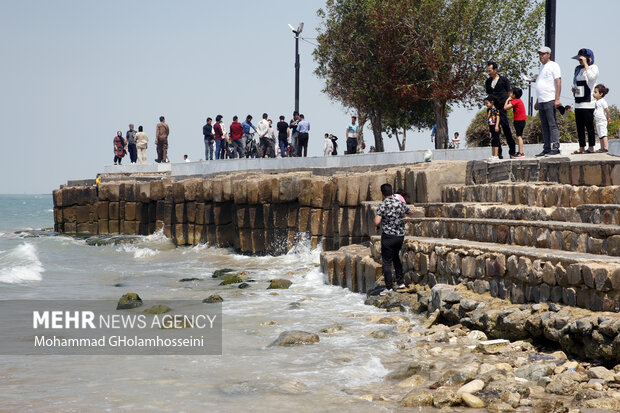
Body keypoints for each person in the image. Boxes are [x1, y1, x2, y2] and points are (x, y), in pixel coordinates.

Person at [373, 183, 414, 295]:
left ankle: (389, 288)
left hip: (388, 237)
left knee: (387, 262)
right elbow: (410, 212)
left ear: (382, 193)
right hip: (399, 236)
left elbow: (376, 222)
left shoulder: (383, 205)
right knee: (396, 258)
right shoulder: (400, 203)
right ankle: (400, 283)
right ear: (392, 192)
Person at [534, 46, 562, 156]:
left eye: (543, 54)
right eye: (540, 54)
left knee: (552, 124)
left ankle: (555, 147)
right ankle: (546, 147)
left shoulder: (553, 65)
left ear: (548, 54)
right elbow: (541, 85)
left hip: (550, 99)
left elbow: (558, 82)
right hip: (541, 100)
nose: (541, 56)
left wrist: (557, 98)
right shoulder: (542, 68)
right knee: (544, 125)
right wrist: (537, 100)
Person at [485, 61, 516, 159]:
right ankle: (498, 153)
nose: (488, 72)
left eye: (490, 70)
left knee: (506, 128)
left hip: (502, 108)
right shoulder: (488, 82)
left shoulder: (503, 80)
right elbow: (489, 94)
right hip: (493, 109)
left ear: (495, 70)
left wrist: (509, 104)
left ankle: (512, 151)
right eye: (487, 71)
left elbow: (509, 93)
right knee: (494, 132)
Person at [571, 48, 599, 154]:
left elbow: (591, 78)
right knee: (580, 127)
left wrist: (586, 65)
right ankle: (581, 146)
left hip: (588, 103)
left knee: (589, 126)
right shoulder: (578, 69)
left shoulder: (593, 68)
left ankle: (591, 146)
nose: (580, 61)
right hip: (578, 102)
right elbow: (575, 82)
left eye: (582, 59)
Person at [504, 87, 526, 158]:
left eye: (511, 93)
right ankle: (520, 152)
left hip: (519, 121)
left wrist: (507, 99)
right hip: (521, 120)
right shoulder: (518, 100)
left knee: (519, 137)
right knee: (519, 136)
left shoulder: (516, 101)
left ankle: (521, 152)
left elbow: (505, 107)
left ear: (514, 95)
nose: (510, 94)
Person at [593, 84, 611, 153]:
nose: (594, 94)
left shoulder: (603, 101)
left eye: (595, 92)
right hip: (597, 121)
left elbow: (607, 110)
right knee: (600, 135)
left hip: (602, 120)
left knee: (603, 134)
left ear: (601, 94)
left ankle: (606, 148)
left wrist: (608, 118)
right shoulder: (596, 102)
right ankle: (602, 147)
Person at [485, 97, 501, 161]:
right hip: (491, 126)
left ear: (492, 102)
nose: (486, 105)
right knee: (493, 140)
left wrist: (497, 125)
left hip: (495, 126)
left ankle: (496, 155)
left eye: (487, 103)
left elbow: (498, 117)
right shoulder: (488, 110)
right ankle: (493, 154)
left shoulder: (495, 109)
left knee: (496, 140)